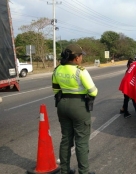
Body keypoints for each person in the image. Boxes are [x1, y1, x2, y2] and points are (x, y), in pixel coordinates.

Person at [52, 44, 98, 174]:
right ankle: (83, 172)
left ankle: (65, 171)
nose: (82, 58)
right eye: (81, 55)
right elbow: (93, 92)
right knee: (81, 141)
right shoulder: (81, 71)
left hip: (62, 105)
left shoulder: (57, 70)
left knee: (66, 139)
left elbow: (55, 90)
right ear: (77, 58)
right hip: (79, 106)